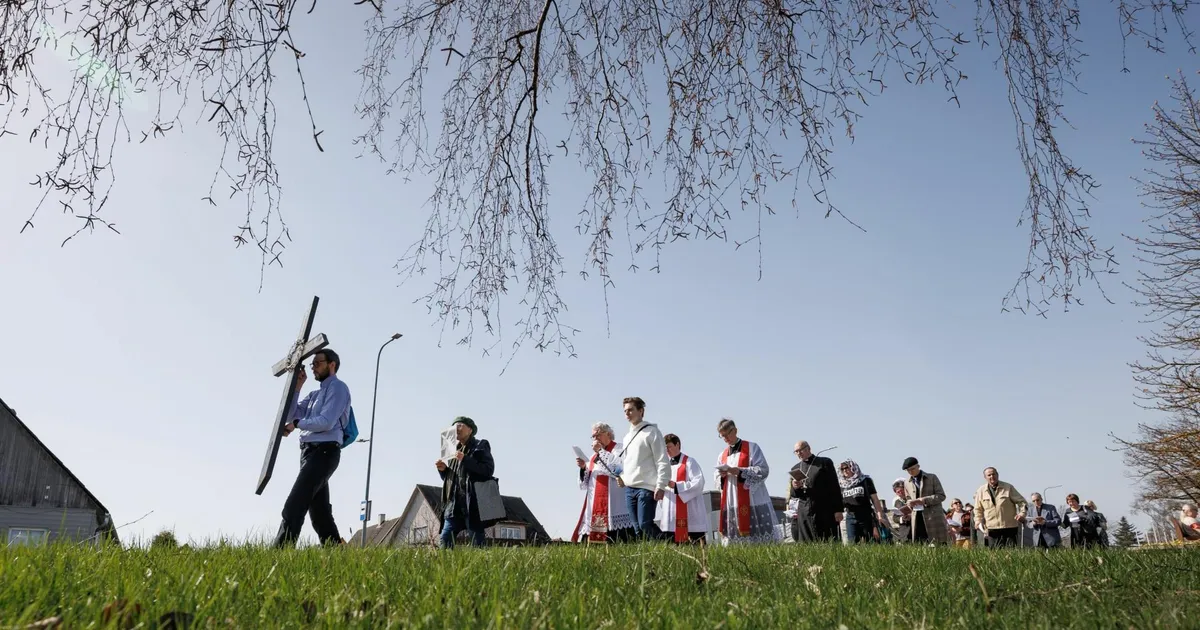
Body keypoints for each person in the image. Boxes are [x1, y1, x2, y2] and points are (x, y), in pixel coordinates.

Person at [273, 349, 350, 548]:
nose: (313, 367)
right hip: (308, 454)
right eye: (312, 364)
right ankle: (336, 554)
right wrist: (298, 386)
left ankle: (279, 554)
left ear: (331, 364)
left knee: (295, 504)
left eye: (317, 363)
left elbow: (325, 421)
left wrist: (297, 424)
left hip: (325, 452)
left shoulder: (338, 388)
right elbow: (291, 414)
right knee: (320, 514)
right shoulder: (314, 394)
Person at [714, 418, 781, 545]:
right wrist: (722, 475)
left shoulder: (752, 448)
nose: (725, 438)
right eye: (722, 436)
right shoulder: (722, 455)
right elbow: (717, 481)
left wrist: (739, 471)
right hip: (732, 501)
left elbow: (763, 470)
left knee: (759, 541)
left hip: (753, 500)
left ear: (735, 430)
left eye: (727, 434)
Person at [434, 417, 496, 549]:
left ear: (470, 430)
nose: (456, 429)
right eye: (454, 426)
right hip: (453, 505)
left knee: (477, 543)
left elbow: (488, 470)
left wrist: (466, 459)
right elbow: (452, 479)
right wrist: (443, 471)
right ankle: (445, 568)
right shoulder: (451, 451)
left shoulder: (481, 445)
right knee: (445, 541)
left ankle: (481, 567)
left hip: (472, 504)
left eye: (460, 425)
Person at [617, 397, 671, 541]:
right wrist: (623, 477)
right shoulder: (627, 437)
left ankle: (671, 548)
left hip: (646, 487)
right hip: (630, 488)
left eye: (630, 410)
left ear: (641, 411)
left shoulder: (652, 432)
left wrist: (661, 485)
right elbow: (628, 462)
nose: (627, 414)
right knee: (637, 529)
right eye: (625, 411)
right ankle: (646, 558)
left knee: (645, 524)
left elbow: (662, 460)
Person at [571, 423, 635, 542]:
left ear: (608, 434)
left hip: (615, 506)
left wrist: (600, 451)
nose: (595, 439)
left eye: (598, 435)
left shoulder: (620, 449)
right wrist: (583, 467)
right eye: (593, 437)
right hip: (594, 505)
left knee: (618, 540)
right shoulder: (593, 457)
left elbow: (618, 471)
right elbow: (584, 485)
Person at [785, 441, 844, 543]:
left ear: (808, 448)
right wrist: (795, 487)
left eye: (801, 450)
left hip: (824, 510)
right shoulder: (795, 468)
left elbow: (834, 486)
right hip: (804, 511)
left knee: (828, 541)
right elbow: (794, 495)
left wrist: (838, 510)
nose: (799, 453)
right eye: (796, 452)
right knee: (807, 544)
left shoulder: (824, 463)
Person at [656, 433, 709, 543]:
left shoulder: (689, 462)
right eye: (664, 447)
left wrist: (676, 486)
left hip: (690, 514)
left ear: (677, 445)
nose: (667, 450)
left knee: (696, 549)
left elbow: (698, 482)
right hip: (670, 515)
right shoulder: (664, 467)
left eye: (669, 446)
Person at [972, 466, 1027, 548]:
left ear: (997, 475)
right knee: (994, 554)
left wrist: (1022, 514)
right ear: (985, 477)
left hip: (1009, 527)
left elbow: (1022, 502)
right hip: (991, 528)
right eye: (989, 475)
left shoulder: (1008, 487)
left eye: (994, 474)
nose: (992, 476)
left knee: (1011, 553)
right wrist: (977, 521)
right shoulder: (981, 490)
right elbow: (977, 509)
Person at [901, 457, 948, 545]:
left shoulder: (932, 477)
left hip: (933, 518)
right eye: (908, 470)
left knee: (938, 544)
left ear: (918, 466)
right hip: (917, 518)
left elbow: (941, 496)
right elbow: (907, 498)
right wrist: (909, 503)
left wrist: (925, 500)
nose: (911, 472)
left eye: (913, 469)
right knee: (920, 544)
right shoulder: (907, 482)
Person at [837, 459, 885, 543]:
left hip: (865, 515)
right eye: (842, 469)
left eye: (847, 467)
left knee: (869, 541)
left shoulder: (865, 480)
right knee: (852, 543)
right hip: (850, 516)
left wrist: (880, 515)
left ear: (853, 467)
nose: (845, 470)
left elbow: (875, 499)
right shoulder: (841, 484)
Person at [887, 479, 913, 543]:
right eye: (898, 492)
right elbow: (895, 517)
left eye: (902, 490)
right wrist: (902, 518)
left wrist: (912, 515)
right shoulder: (897, 502)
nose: (900, 493)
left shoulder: (913, 498)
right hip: (905, 530)